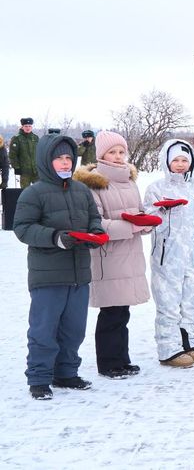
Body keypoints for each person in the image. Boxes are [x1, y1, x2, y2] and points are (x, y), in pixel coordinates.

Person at [13, 134, 104, 399]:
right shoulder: (34, 193)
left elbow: (93, 219)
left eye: (68, 158)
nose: (65, 164)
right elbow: (23, 228)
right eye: (59, 159)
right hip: (48, 276)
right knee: (44, 329)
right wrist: (55, 238)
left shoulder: (81, 190)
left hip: (79, 274)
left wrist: (95, 233)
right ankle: (40, 378)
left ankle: (66, 373)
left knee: (74, 329)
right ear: (46, 160)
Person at [72, 131, 151, 379]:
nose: (118, 157)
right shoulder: (94, 183)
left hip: (130, 255)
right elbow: (95, 223)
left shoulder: (130, 181)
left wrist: (146, 222)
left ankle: (122, 359)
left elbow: (138, 212)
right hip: (108, 257)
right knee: (111, 313)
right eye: (112, 152)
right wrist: (132, 227)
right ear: (101, 154)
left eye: (121, 152)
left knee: (123, 312)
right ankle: (108, 363)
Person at [143, 139, 194, 368]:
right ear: (167, 161)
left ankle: (188, 345)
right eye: (175, 160)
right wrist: (163, 208)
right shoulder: (156, 188)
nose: (180, 164)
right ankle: (169, 349)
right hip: (167, 257)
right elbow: (148, 217)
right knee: (168, 304)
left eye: (185, 160)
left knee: (191, 303)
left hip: (192, 258)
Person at [9, 117, 39, 188]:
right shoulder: (17, 138)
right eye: (26, 126)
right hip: (24, 172)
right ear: (22, 127)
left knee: (39, 191)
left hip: (36, 171)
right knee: (25, 192)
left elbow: (39, 152)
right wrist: (16, 167)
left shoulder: (35, 138)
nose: (28, 128)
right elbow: (13, 155)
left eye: (29, 126)